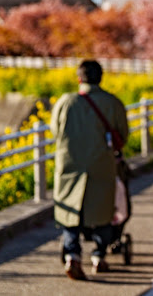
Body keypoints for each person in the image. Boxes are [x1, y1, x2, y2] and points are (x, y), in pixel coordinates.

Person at [52, 59, 129, 280]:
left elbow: (56, 131)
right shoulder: (112, 103)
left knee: (70, 212)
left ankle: (73, 255)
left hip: (70, 165)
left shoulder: (65, 102)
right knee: (103, 211)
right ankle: (98, 256)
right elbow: (122, 135)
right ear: (100, 78)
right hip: (102, 165)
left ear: (79, 78)